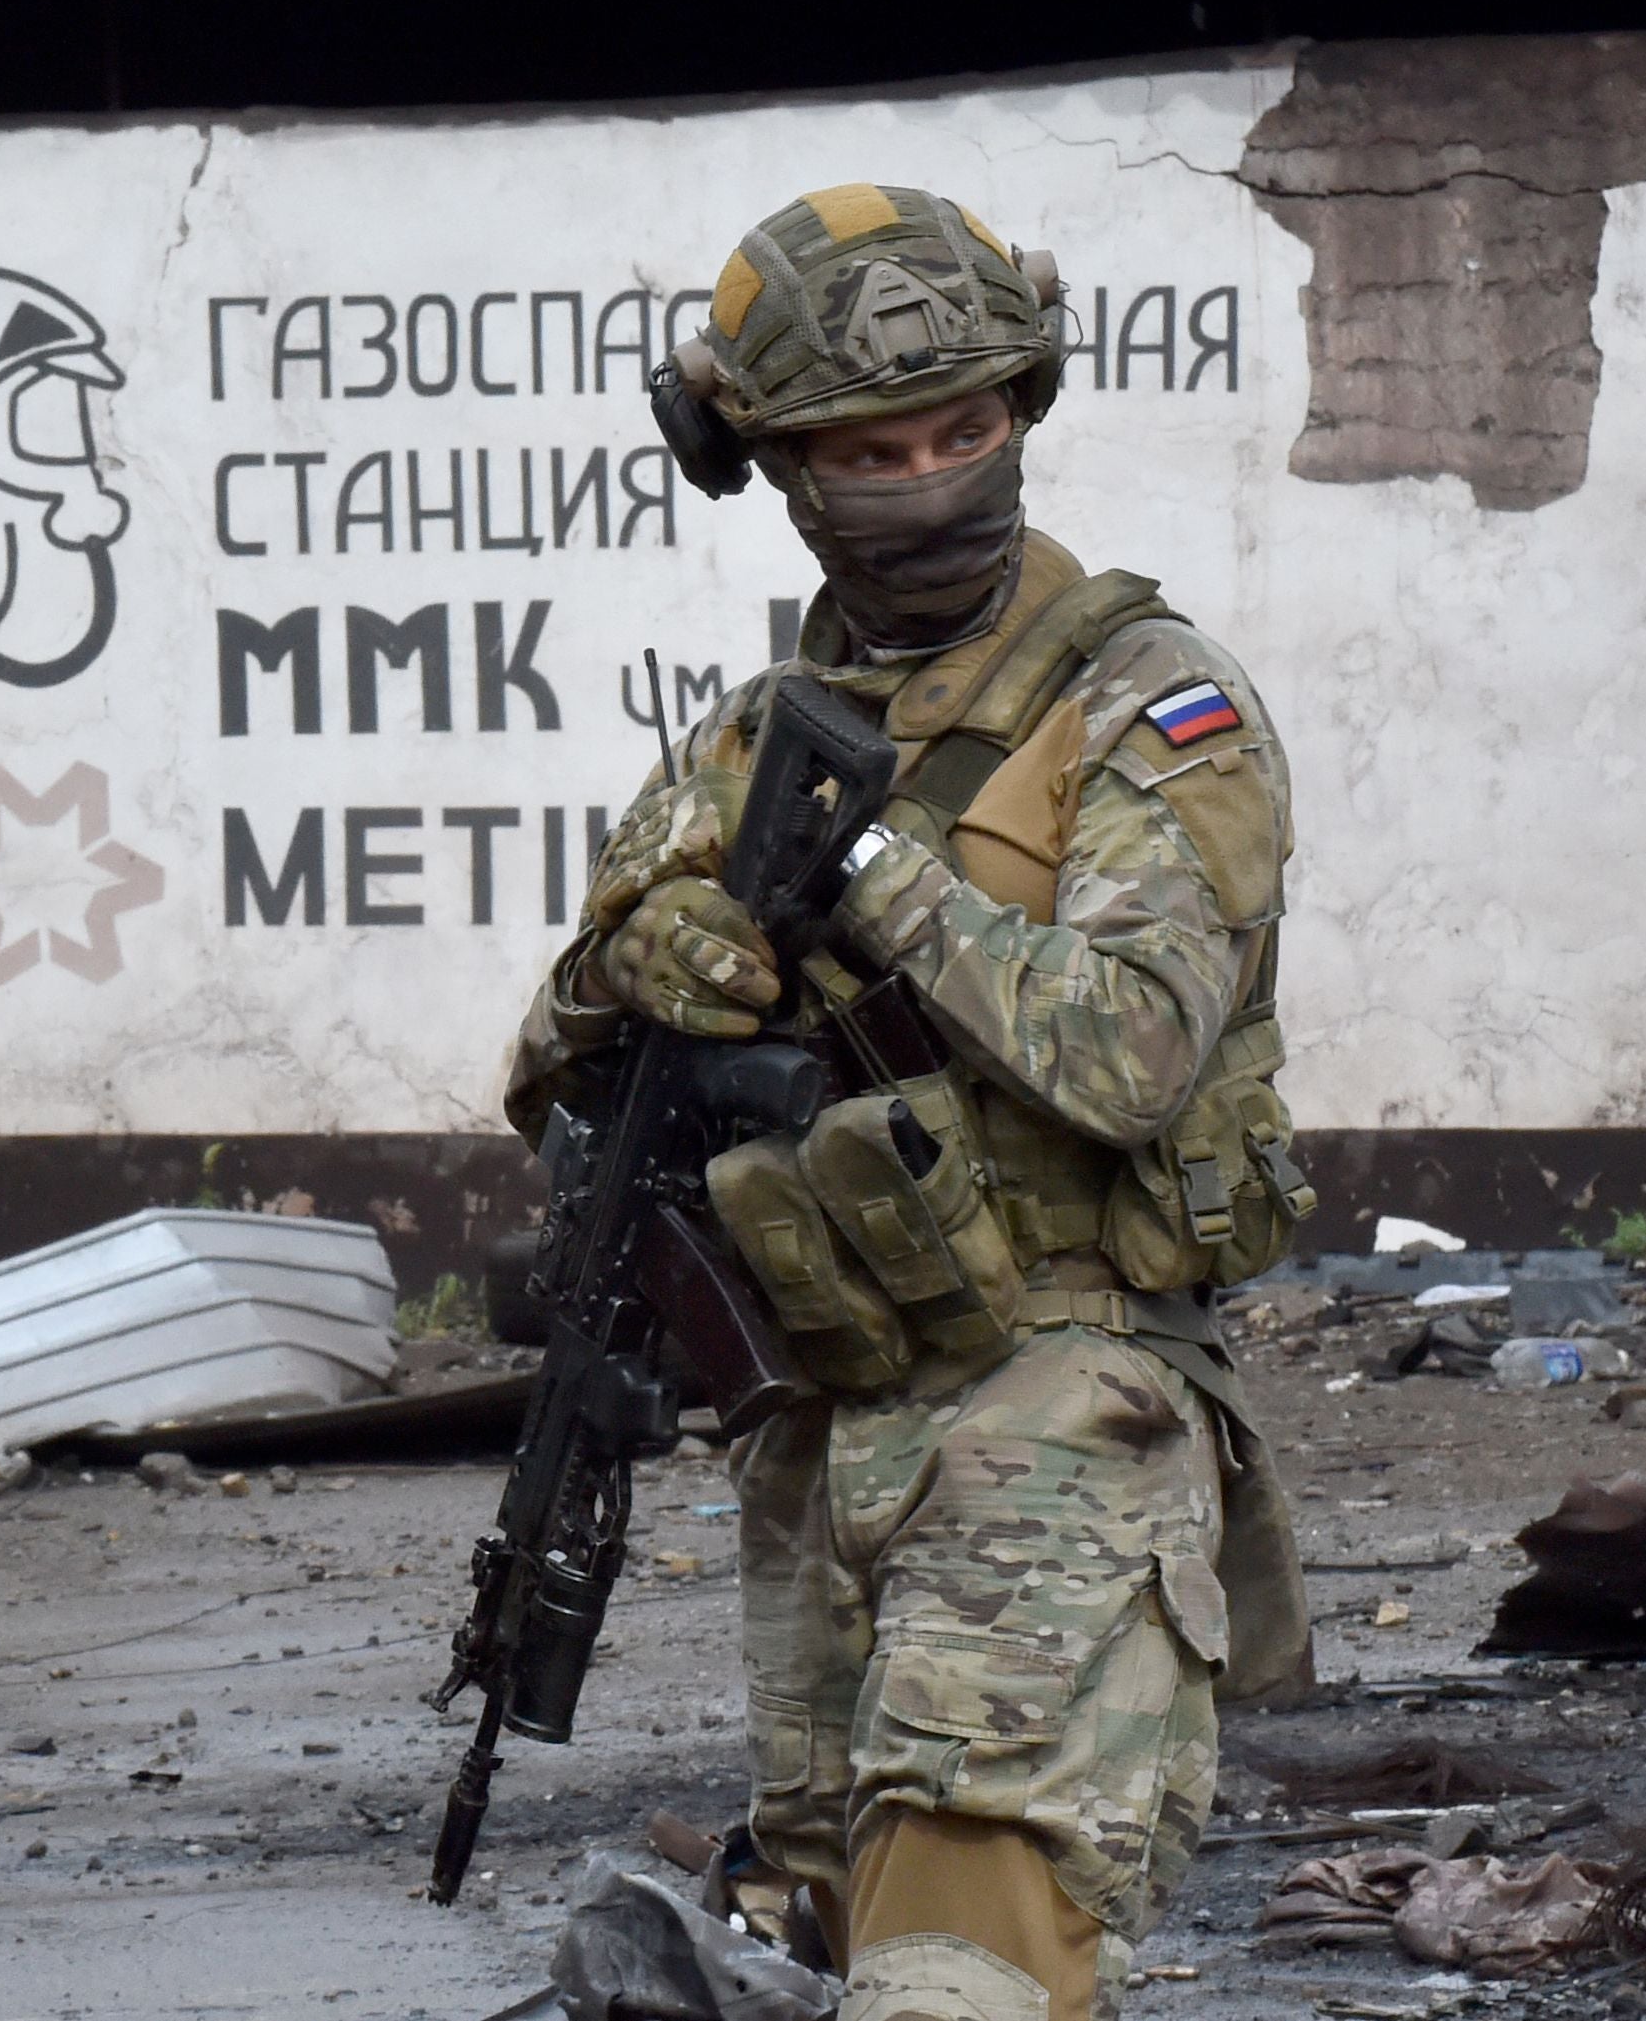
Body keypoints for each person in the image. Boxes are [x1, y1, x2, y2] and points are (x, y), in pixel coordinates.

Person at [504, 187, 1313, 2021]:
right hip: (821, 1435)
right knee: (829, 1938)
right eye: (874, 448)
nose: (934, 476)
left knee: (966, 1950)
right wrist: (626, 972)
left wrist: (871, 861)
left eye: (971, 429)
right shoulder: (739, 738)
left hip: (1062, 1404)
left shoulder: (1151, 705)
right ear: (773, 464)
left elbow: (1130, 1052)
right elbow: (553, 1076)